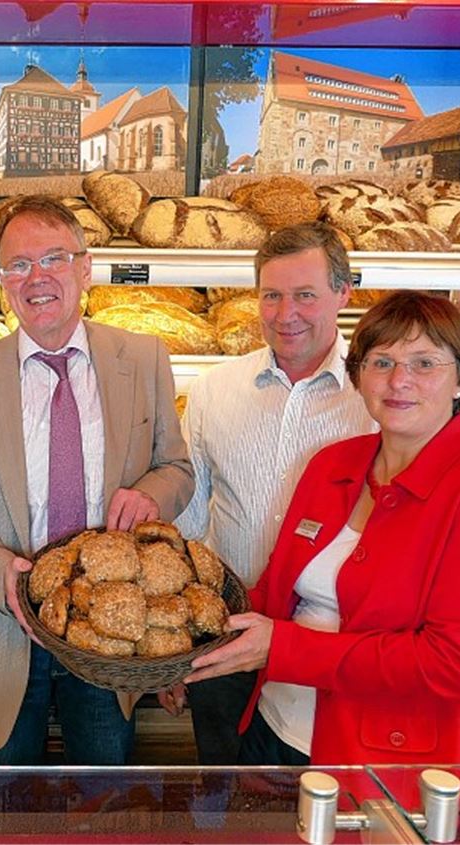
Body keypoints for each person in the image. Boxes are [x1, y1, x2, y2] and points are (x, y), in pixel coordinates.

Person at [184, 291, 460, 781]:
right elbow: (274, 590)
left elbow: (449, 664)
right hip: (273, 731)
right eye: (382, 361)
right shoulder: (335, 464)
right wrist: (191, 649)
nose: (399, 381)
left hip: (381, 763)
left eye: (424, 363)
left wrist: (283, 649)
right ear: (358, 377)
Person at [0, 195, 194, 765]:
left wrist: (151, 494)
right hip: (7, 630)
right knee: (2, 799)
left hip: (111, 630)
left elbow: (177, 467)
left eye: (53, 258)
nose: (36, 278)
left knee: (102, 796)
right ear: (2, 280)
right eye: (18, 265)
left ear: (85, 267)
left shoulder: (144, 358)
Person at [162, 222, 376, 765]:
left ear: (343, 293)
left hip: (329, 644)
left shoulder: (377, 398)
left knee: (313, 800)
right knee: (224, 790)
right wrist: (178, 643)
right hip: (225, 630)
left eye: (305, 295)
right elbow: (189, 519)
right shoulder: (215, 388)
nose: (286, 314)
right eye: (271, 296)